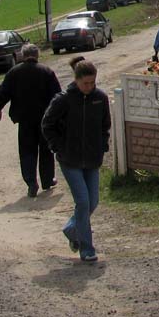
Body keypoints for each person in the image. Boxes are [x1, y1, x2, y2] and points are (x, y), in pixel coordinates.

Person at [41, 56, 111, 263]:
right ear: (76, 80)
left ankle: (72, 229)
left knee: (93, 202)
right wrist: (58, 147)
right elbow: (47, 124)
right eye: (85, 83)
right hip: (70, 159)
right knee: (82, 201)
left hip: (92, 157)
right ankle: (86, 248)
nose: (89, 87)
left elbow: (104, 126)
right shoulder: (63, 99)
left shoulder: (100, 98)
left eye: (92, 83)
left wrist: (102, 145)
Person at [0, 43, 62, 198]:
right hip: (45, 119)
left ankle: (31, 183)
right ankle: (47, 180)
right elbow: (57, 95)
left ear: (22, 56)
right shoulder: (46, 72)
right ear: (37, 55)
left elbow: (3, 91)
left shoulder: (14, 72)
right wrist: (59, 115)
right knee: (46, 150)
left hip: (24, 119)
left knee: (27, 151)